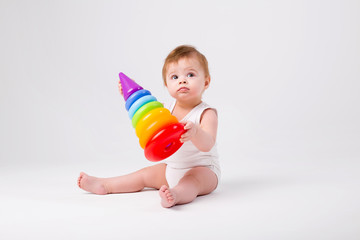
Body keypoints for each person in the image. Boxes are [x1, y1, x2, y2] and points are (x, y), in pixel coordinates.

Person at [77, 45, 221, 208]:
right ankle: (106, 185)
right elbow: (145, 110)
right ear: (167, 85)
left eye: (190, 74)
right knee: (143, 175)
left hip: (204, 171)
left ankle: (177, 195)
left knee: (192, 180)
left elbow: (208, 143)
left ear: (206, 81)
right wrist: (129, 93)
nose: (182, 80)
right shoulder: (164, 109)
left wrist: (195, 132)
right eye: (174, 77)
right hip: (172, 169)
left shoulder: (206, 113)